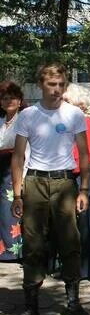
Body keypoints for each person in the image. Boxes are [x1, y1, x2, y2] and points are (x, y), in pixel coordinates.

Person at [10, 63, 90, 315]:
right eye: (50, 84)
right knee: (33, 244)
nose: (56, 90)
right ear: (41, 85)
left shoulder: (74, 115)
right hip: (34, 182)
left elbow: (85, 153)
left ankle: (73, 302)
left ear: (64, 86)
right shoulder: (28, 115)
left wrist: (84, 189)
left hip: (65, 183)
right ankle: (31, 307)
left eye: (60, 85)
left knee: (70, 241)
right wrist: (18, 194)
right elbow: (18, 157)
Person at [63, 84, 90, 281]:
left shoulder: (85, 124)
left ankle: (86, 269)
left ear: (79, 104)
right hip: (72, 175)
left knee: (85, 222)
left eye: (67, 101)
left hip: (80, 177)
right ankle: (78, 268)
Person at [0, 82, 26, 262]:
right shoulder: (0, 121)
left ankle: (15, 251)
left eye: (12, 98)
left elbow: (27, 150)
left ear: (19, 101)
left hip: (15, 168)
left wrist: (23, 177)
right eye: (4, 98)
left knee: (11, 210)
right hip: (0, 168)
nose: (8, 101)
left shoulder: (23, 120)